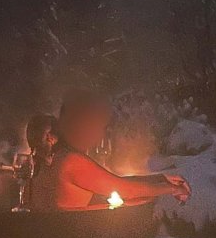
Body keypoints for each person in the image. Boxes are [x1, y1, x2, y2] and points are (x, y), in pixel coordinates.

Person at [28, 89, 191, 211]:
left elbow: (114, 183)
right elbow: (124, 189)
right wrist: (172, 188)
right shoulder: (69, 161)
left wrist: (160, 179)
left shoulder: (43, 167)